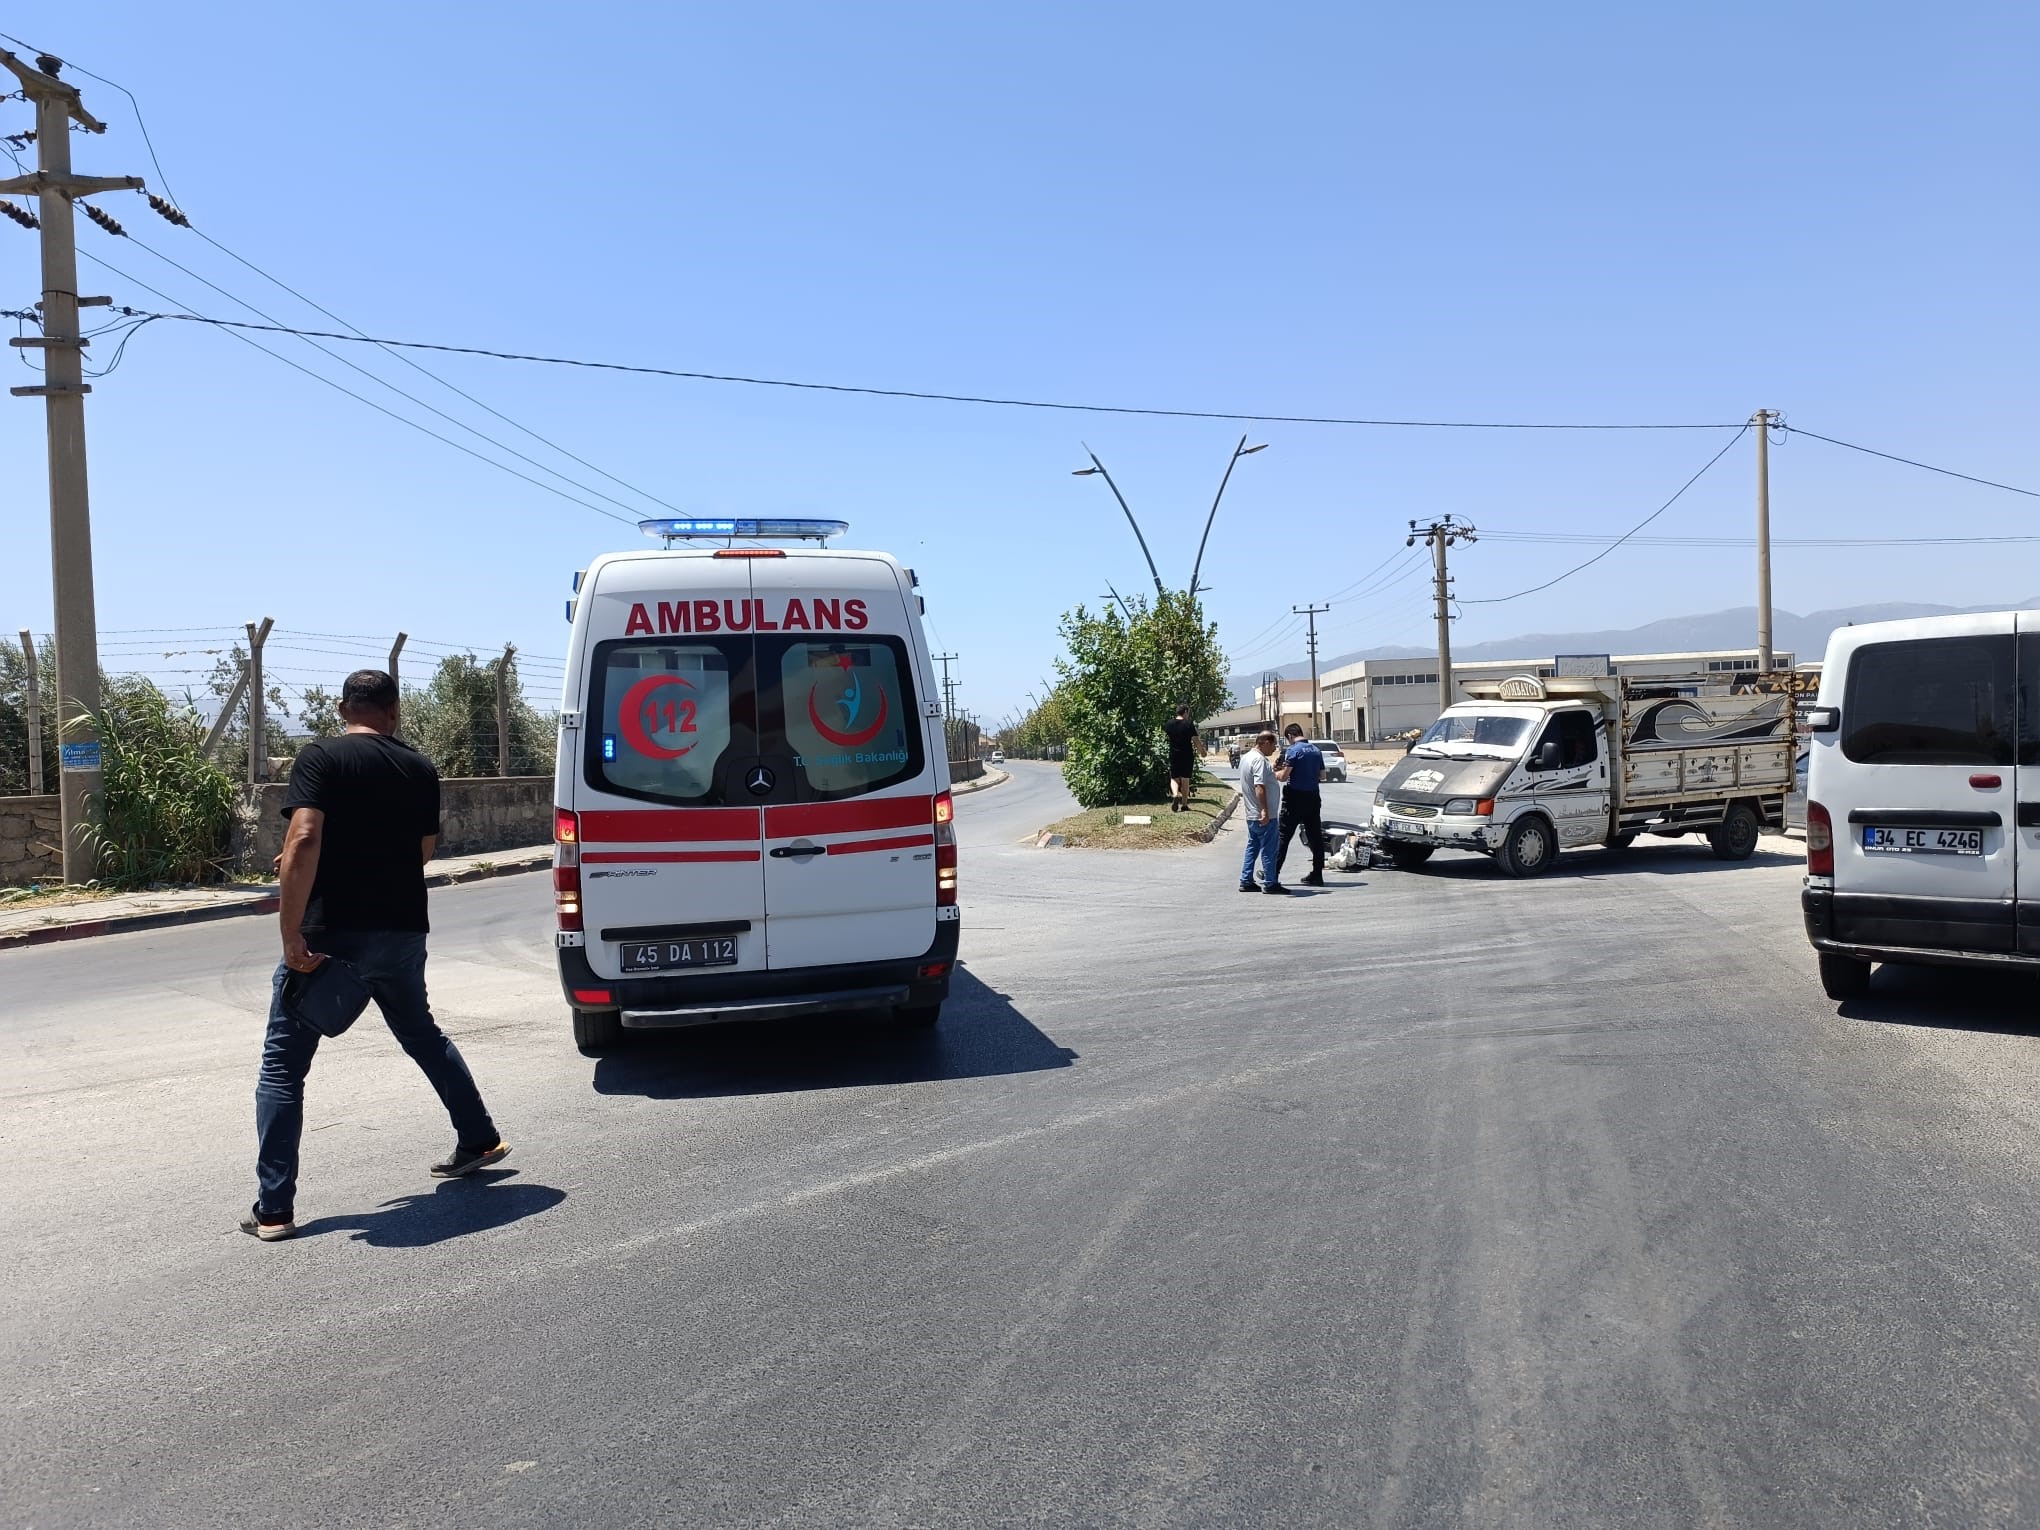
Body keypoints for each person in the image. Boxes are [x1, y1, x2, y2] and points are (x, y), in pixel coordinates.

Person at [241, 669, 509, 1242]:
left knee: (283, 1068)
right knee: (422, 1034)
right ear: (393, 711)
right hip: (402, 929)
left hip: (332, 934)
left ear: (344, 708)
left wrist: (291, 932)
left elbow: (305, 838)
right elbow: (422, 851)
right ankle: (480, 1137)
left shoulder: (321, 757)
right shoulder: (418, 766)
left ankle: (274, 1208)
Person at [1276, 722, 1327, 887]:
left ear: (1290, 736)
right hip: (1313, 798)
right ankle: (1317, 875)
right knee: (1315, 837)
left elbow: (1284, 777)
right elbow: (1323, 776)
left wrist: (1273, 773)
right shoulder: (1316, 751)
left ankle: (1273, 873)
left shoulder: (1293, 750)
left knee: (1283, 836)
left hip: (1294, 799)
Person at [1238, 730, 1289, 894]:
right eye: (1273, 744)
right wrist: (1265, 811)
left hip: (1251, 813)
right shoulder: (1259, 760)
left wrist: (1272, 771)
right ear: (1265, 742)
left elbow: (1262, 779)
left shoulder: (1246, 758)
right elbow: (1259, 787)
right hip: (1264, 815)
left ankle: (1246, 880)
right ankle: (1270, 882)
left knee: (1252, 846)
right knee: (1269, 849)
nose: (1274, 749)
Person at [1163, 705, 1199, 813]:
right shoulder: (1188, 724)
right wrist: (1202, 751)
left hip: (1174, 754)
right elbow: (1196, 740)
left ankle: (1175, 795)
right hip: (1187, 755)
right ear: (1185, 712)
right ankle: (1184, 805)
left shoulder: (1169, 724)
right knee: (1185, 780)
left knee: (1174, 778)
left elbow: (1167, 736)